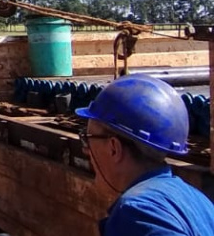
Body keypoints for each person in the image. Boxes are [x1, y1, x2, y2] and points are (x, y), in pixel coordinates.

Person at [76, 73, 214, 235]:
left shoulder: (137, 214)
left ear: (114, 148)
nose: (86, 150)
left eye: (88, 138)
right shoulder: (196, 199)